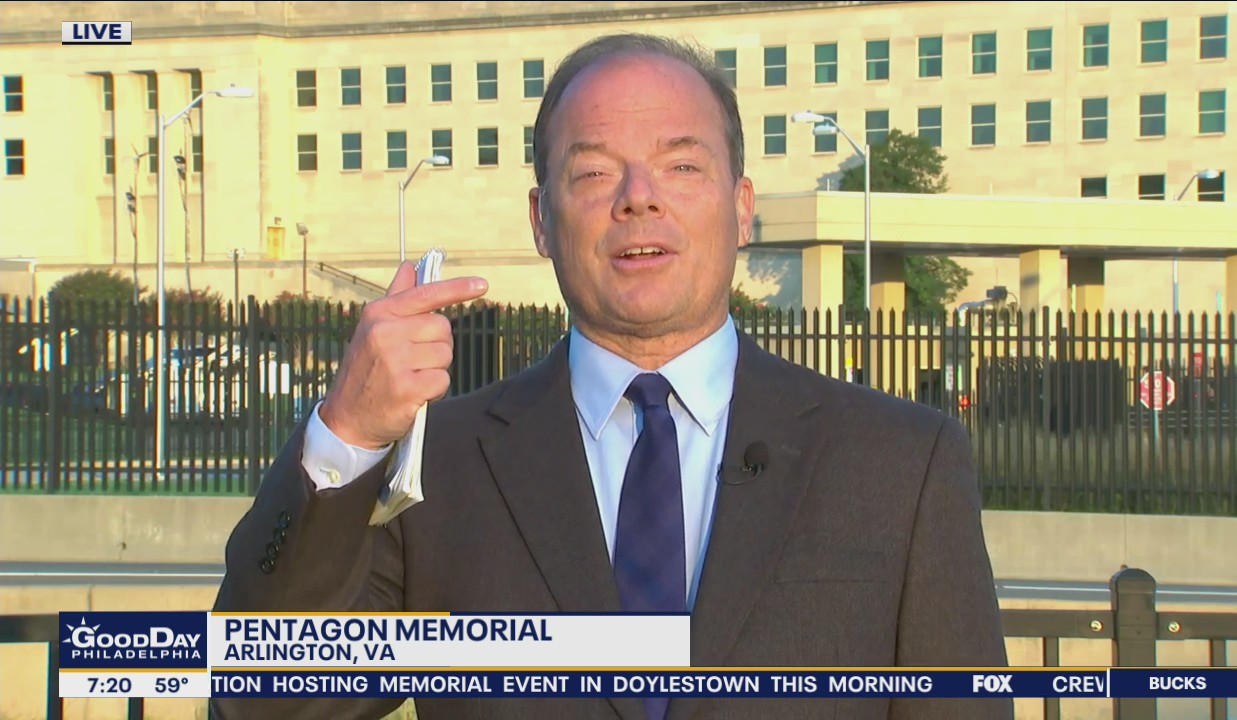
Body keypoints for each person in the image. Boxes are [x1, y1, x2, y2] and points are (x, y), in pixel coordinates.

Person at [213, 33, 1010, 720]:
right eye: (594, 173)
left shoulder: (901, 462)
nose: (639, 200)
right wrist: (346, 435)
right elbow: (265, 697)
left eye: (681, 167)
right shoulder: (443, 467)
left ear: (741, 209)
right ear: (540, 220)